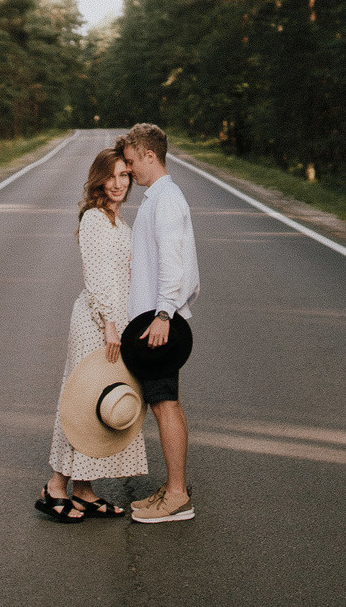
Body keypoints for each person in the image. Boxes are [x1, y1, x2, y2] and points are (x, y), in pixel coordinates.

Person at [38, 143, 144, 520]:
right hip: (97, 323)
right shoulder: (96, 220)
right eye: (111, 176)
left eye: (124, 175)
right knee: (82, 403)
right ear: (98, 179)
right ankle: (55, 487)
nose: (118, 184)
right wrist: (111, 326)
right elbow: (98, 279)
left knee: (100, 405)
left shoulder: (119, 221)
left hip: (117, 323)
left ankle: (83, 490)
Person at [118, 122, 199, 524]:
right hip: (153, 320)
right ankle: (172, 488)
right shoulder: (157, 198)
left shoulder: (166, 199)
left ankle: (178, 495)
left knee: (165, 404)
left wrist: (165, 312)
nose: (129, 169)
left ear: (150, 156)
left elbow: (174, 261)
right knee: (164, 402)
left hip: (159, 322)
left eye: (132, 162)